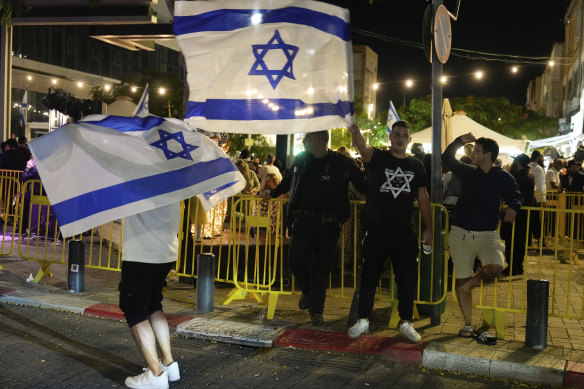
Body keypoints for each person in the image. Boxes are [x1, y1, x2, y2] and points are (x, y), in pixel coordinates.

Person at [261, 130, 366, 326]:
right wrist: (273, 194)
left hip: (329, 223)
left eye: (307, 139)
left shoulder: (341, 161)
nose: (304, 142)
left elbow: (362, 183)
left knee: (323, 267)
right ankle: (308, 292)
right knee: (295, 260)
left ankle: (317, 310)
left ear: (318, 140)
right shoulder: (302, 159)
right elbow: (289, 181)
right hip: (303, 220)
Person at [346, 120, 432, 342]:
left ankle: (406, 321)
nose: (401, 138)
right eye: (397, 134)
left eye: (405, 134)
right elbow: (363, 149)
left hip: (404, 230)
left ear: (410, 139)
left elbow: (423, 197)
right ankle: (363, 319)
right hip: (375, 228)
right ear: (390, 137)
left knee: (406, 278)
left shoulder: (416, 165)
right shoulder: (379, 157)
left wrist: (428, 228)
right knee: (369, 276)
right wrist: (356, 133)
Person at [442, 133, 522, 345]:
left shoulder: (504, 177)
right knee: (461, 278)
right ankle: (468, 323)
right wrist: (460, 141)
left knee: (497, 267)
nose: (473, 153)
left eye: (476, 150)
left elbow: (516, 194)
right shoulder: (468, 171)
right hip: (460, 232)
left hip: (488, 234)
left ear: (488, 155)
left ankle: (472, 283)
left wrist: (513, 207)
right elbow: (447, 158)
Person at [120, 204, 181, 388]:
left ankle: (155, 374)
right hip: (167, 250)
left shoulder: (138, 176)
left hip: (140, 252)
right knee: (154, 304)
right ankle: (169, 364)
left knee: (134, 310)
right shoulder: (173, 176)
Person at [501, 154, 534, 277]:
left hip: (514, 213)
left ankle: (512, 267)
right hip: (524, 214)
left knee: (511, 240)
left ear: (518, 164)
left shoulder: (514, 178)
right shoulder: (530, 177)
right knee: (520, 241)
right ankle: (518, 266)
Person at [529, 151, 546, 244]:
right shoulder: (538, 168)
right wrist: (543, 200)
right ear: (538, 158)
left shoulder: (528, 166)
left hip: (529, 197)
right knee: (538, 221)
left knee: (529, 221)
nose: (543, 160)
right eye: (542, 157)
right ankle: (540, 241)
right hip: (538, 198)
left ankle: (529, 241)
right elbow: (540, 186)